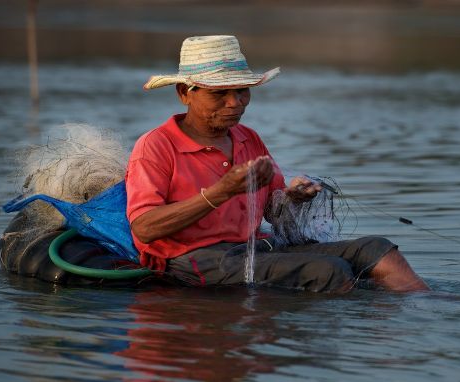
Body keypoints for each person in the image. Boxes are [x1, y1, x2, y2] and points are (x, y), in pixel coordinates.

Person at [126, 35, 429, 292]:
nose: (235, 103)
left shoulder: (248, 138)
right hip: (193, 258)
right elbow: (144, 229)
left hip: (256, 246)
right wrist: (221, 192)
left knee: (377, 248)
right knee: (327, 270)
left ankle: (426, 310)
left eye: (242, 92)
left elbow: (271, 208)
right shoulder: (155, 146)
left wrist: (293, 196)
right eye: (219, 94)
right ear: (184, 94)